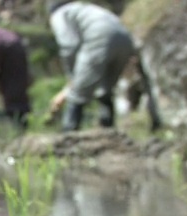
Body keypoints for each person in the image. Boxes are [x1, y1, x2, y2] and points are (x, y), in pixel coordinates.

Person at [46, 1, 137, 132]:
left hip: (99, 37)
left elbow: (69, 45)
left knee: (77, 95)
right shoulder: (84, 9)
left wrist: (72, 80)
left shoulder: (59, 14)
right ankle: (108, 131)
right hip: (124, 39)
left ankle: (68, 134)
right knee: (105, 90)